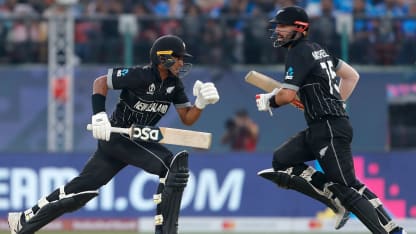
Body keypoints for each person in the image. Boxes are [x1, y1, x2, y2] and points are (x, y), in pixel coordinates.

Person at [7, 34, 220, 234]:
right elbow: (101, 82)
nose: (182, 63)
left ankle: (24, 221)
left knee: (79, 190)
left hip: (136, 140)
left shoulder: (175, 86)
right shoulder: (140, 76)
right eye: (178, 58)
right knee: (173, 166)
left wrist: (201, 103)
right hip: (117, 137)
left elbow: (187, 118)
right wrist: (99, 115)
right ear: (162, 58)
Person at [255, 6, 406, 234]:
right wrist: (337, 101)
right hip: (321, 127)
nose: (277, 30)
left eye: (282, 26)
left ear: (299, 28)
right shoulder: (319, 50)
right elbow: (351, 76)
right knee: (282, 159)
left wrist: (270, 101)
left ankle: (393, 232)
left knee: (349, 188)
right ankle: (333, 197)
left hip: (329, 128)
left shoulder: (298, 52)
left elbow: (286, 95)